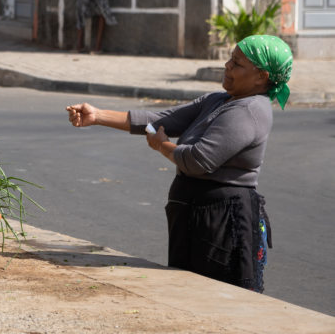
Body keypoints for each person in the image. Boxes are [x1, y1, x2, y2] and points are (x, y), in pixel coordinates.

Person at [66, 34, 293, 292]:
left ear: (261, 77)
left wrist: (162, 145)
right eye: (230, 59)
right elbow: (161, 118)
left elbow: (198, 160)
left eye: (237, 64)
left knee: (216, 293)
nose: (228, 66)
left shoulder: (250, 111)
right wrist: (97, 116)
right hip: (195, 211)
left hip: (222, 218)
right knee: (187, 288)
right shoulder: (219, 101)